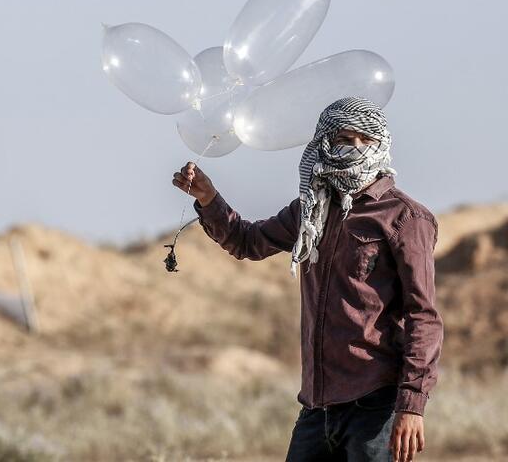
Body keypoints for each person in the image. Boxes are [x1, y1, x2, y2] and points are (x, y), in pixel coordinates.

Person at [172, 97, 442, 462]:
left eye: (366, 140)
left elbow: (422, 317)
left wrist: (412, 405)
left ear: (382, 145)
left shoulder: (404, 217)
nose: (356, 148)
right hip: (316, 408)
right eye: (345, 138)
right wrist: (208, 198)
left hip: (376, 407)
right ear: (326, 142)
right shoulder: (311, 209)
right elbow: (248, 242)